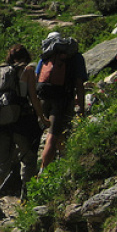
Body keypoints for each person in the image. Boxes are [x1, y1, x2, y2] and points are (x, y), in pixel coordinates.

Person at [0, 44, 50, 219]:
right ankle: (26, 199)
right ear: (26, 56)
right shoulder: (27, 70)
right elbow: (33, 97)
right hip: (22, 120)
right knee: (28, 158)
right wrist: (42, 118)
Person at [36, 32, 88, 173]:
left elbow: (37, 79)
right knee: (53, 135)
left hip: (43, 98)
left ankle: (63, 162)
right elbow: (79, 84)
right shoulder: (75, 57)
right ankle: (43, 173)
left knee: (57, 132)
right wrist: (81, 108)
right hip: (62, 99)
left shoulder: (46, 57)